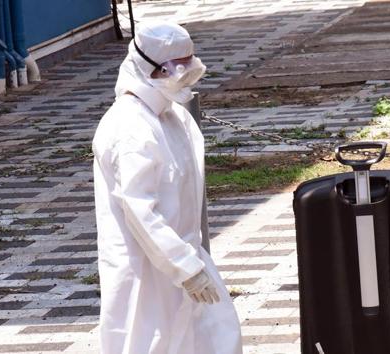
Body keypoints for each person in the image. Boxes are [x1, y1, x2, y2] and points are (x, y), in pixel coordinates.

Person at [92, 20, 243, 354]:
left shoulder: (174, 117)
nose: (185, 78)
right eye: (178, 70)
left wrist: (191, 264)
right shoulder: (130, 128)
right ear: (151, 70)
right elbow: (140, 211)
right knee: (151, 344)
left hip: (188, 258)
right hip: (146, 271)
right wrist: (184, 268)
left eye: (191, 66)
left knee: (217, 337)